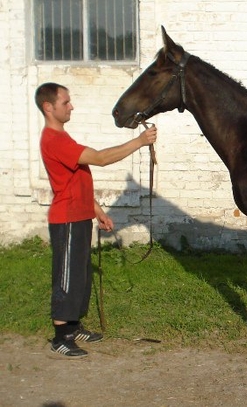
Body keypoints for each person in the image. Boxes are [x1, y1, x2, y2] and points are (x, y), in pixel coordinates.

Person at [35, 82, 157, 358]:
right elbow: (100, 159)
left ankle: (74, 325)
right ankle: (61, 337)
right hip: (65, 218)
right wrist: (139, 142)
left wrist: (97, 211)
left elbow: (74, 181)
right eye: (65, 102)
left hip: (79, 215)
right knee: (66, 277)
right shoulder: (54, 140)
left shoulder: (63, 138)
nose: (71, 106)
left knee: (79, 275)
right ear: (48, 107)